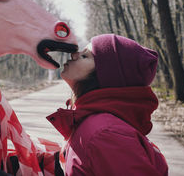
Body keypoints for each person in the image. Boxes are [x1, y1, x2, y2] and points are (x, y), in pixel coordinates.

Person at [47, 34, 168, 176]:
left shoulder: (106, 134)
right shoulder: (89, 120)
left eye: (85, 56)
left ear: (105, 76)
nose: (74, 55)